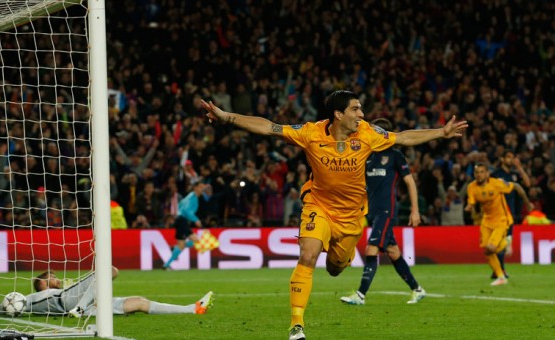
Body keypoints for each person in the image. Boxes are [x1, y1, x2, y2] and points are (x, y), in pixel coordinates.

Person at [200, 90, 467, 340]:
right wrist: (228, 117)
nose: (361, 115)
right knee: (307, 254)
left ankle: (340, 258)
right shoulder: (310, 133)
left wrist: (440, 133)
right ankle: (297, 324)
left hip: (351, 217)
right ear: (339, 114)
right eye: (356, 109)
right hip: (318, 205)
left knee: (335, 268)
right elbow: (269, 127)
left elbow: (404, 137)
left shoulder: (368, 134)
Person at [339, 118, 425, 306]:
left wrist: (415, 210)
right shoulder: (366, 155)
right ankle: (417, 289)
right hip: (372, 212)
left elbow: (410, 182)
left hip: (386, 211)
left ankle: (360, 294)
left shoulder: (395, 156)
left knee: (372, 248)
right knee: (393, 252)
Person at [0, 267, 213, 317]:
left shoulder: (26, 304)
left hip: (82, 305)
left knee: (138, 302)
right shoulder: (29, 299)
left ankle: (193, 309)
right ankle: (81, 308)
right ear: (42, 283)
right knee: (109, 269)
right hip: (69, 303)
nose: (56, 277)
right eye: (51, 276)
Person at [464, 163, 533, 286]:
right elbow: (472, 202)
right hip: (486, 221)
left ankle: (506, 242)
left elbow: (516, 186)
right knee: (487, 251)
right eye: (476, 172)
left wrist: (527, 204)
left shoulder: (496, 184)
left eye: (481, 172)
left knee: (491, 248)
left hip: (501, 219)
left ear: (487, 173)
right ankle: (501, 277)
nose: (479, 175)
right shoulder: (471, 187)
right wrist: (469, 207)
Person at [490, 150, 531, 278]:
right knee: (501, 242)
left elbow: (527, 183)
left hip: (510, 214)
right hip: (497, 213)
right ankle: (500, 270)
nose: (511, 160)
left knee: (505, 243)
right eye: (508, 157)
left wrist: (519, 167)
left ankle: (498, 270)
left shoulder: (514, 175)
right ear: (502, 159)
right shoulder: (496, 174)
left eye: (512, 157)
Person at [163, 181, 211, 269]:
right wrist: (196, 220)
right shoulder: (192, 197)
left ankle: (167, 264)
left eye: (202, 187)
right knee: (195, 241)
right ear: (195, 188)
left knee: (183, 244)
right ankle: (170, 256)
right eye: (200, 187)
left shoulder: (191, 196)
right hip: (182, 220)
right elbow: (186, 210)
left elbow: (181, 204)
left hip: (180, 220)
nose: (202, 189)